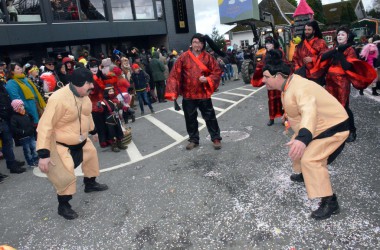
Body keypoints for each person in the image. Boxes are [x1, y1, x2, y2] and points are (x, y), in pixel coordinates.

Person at [262, 49, 350, 220]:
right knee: (296, 144)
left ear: (278, 75)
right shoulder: (289, 84)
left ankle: (331, 202)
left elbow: (309, 111)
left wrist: (303, 139)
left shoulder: (300, 88)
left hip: (334, 127)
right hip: (319, 126)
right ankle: (304, 173)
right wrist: (299, 136)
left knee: (311, 159)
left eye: (266, 76)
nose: (263, 80)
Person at [37, 67, 108, 220]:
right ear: (78, 84)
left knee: (91, 157)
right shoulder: (57, 99)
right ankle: (63, 206)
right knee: (66, 174)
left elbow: (87, 115)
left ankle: (90, 184)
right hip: (62, 143)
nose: (91, 87)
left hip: (82, 140)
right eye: (88, 83)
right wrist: (43, 154)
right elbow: (45, 125)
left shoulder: (85, 95)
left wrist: (94, 131)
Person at [317, 26, 376, 142]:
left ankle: (352, 130)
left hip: (342, 82)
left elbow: (347, 66)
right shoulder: (335, 47)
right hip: (330, 81)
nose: (340, 36)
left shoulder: (350, 50)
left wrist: (340, 54)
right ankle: (337, 129)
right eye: (338, 34)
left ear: (347, 37)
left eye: (342, 34)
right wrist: (335, 50)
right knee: (331, 106)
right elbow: (323, 57)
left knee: (343, 107)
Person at [165, 33, 223, 150]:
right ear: (191, 43)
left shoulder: (208, 57)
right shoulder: (183, 57)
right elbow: (174, 75)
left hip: (203, 93)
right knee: (190, 119)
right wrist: (173, 91)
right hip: (188, 94)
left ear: (203, 45)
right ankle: (193, 139)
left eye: (200, 43)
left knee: (210, 117)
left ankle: (216, 138)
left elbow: (216, 72)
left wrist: (207, 79)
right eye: (195, 42)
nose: (197, 44)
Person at [251, 36, 284, 126]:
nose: (267, 45)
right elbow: (263, 64)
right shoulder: (266, 54)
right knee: (271, 98)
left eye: (269, 43)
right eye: (266, 43)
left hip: (279, 78)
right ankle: (271, 118)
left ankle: (284, 117)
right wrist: (258, 68)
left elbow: (280, 59)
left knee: (282, 98)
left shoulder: (279, 51)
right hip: (270, 78)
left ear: (274, 44)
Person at [0, 77, 26, 174]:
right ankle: (12, 165)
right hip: (2, 118)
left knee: (8, 142)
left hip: (5, 117)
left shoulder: (1, 84)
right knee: (7, 142)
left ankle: (12, 163)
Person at [292, 21, 328, 85]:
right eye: (305, 30)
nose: (306, 32)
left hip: (317, 76)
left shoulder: (321, 43)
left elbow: (325, 57)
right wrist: (298, 69)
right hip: (302, 76)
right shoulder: (300, 45)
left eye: (309, 30)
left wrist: (313, 59)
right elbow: (295, 59)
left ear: (314, 31)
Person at [10, 99, 38, 168]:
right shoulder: (14, 117)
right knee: (27, 150)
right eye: (20, 105)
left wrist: (32, 128)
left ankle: (36, 159)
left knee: (34, 147)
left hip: (30, 134)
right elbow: (14, 128)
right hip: (23, 137)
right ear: (16, 107)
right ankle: (30, 162)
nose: (22, 107)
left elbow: (31, 120)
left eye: (22, 105)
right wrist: (22, 132)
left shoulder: (26, 113)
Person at [101, 84, 128, 152]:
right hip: (109, 120)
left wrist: (126, 108)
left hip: (116, 117)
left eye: (112, 91)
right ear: (106, 92)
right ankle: (114, 146)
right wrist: (99, 108)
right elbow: (102, 112)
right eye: (110, 91)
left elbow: (121, 106)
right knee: (112, 133)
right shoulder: (103, 102)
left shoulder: (115, 99)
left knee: (119, 131)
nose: (112, 92)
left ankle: (120, 144)